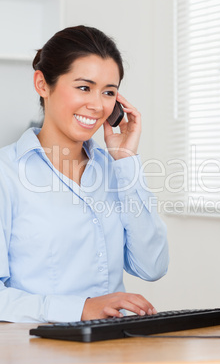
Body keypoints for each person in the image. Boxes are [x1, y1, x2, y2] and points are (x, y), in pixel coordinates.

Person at [0, 25, 169, 323]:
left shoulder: (115, 171)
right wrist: (80, 308)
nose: (96, 105)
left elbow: (152, 266)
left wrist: (126, 161)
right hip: (37, 356)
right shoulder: (7, 174)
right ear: (42, 84)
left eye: (108, 92)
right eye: (83, 87)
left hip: (113, 349)